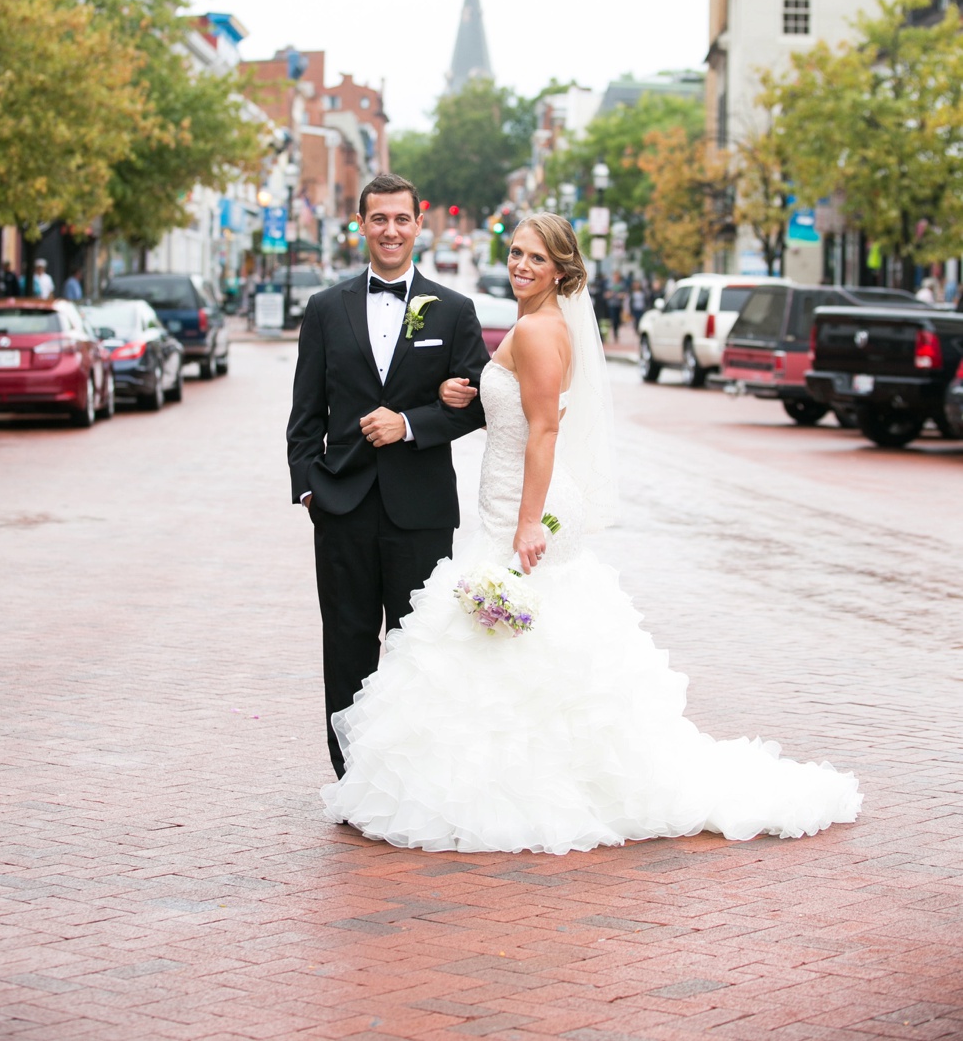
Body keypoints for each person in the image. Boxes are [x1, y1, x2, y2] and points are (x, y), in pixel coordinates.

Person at [322, 212, 862, 853]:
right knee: (506, 647)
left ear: (561, 271)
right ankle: (510, 776)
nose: (522, 266)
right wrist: (459, 393)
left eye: (537, 260)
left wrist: (526, 521)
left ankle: (523, 788)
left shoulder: (540, 331)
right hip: (509, 499)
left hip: (526, 507)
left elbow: (544, 430)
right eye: (517, 253)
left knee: (505, 639)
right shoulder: (534, 325)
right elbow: (513, 404)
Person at [287, 172, 490, 778]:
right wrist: (309, 488)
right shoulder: (325, 310)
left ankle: (409, 774)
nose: (391, 230)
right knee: (346, 644)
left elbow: (481, 405)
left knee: (416, 645)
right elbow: (305, 413)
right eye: (379, 219)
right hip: (342, 504)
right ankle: (353, 777)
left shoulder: (454, 311)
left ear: (419, 224)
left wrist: (410, 423)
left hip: (420, 509)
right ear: (361, 225)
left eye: (402, 219)